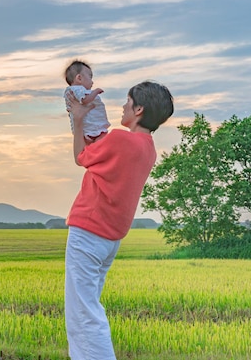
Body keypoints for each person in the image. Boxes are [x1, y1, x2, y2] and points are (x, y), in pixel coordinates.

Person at [64, 79, 174, 360]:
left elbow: (80, 157)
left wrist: (78, 120)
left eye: (127, 102)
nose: (123, 106)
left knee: (83, 315)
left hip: (88, 231)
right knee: (88, 308)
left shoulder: (120, 138)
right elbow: (102, 152)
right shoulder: (146, 147)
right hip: (108, 239)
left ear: (139, 109)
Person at [64, 60, 110, 143]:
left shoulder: (71, 92)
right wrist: (95, 92)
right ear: (79, 78)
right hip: (91, 126)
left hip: (85, 129)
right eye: (90, 77)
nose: (92, 82)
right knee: (103, 140)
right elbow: (85, 100)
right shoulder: (78, 89)